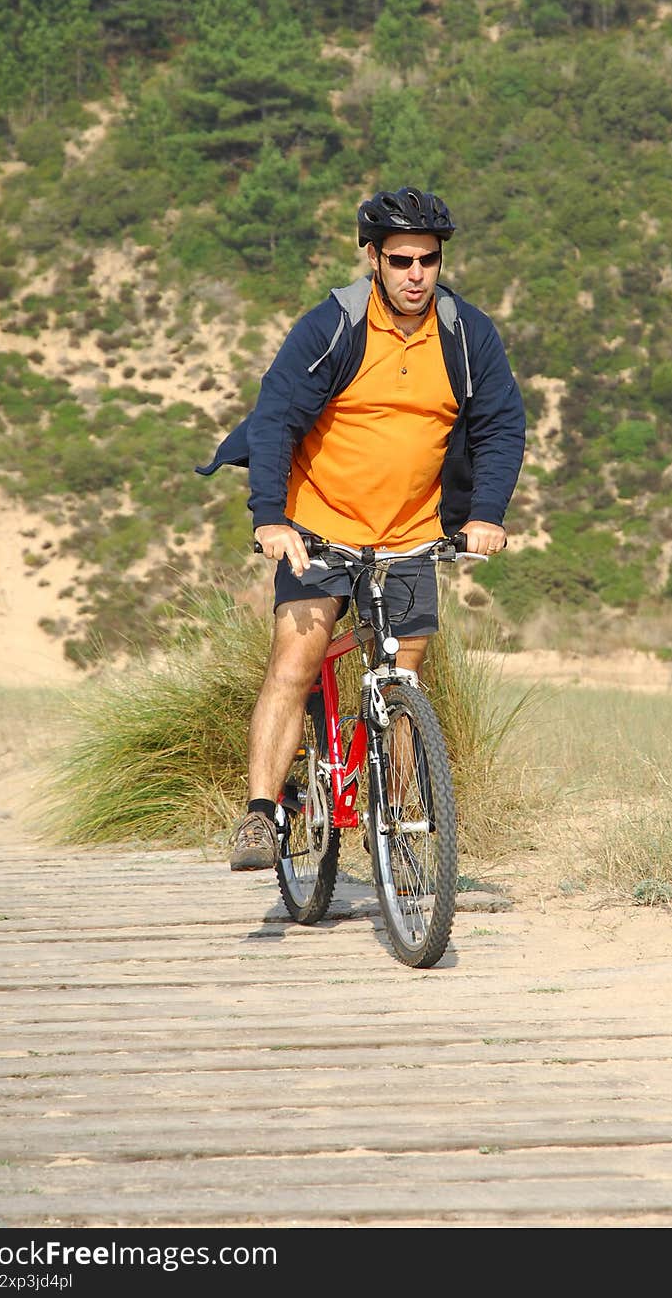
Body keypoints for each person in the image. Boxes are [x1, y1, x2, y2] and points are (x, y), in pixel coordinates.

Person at [196, 186, 526, 871]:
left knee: (404, 679)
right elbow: (276, 418)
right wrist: (270, 520)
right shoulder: (333, 326)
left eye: (428, 260)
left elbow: (501, 425)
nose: (416, 274)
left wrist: (486, 514)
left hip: (410, 533)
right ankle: (261, 813)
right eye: (401, 259)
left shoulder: (467, 336)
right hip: (319, 528)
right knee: (296, 661)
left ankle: (402, 834)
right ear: (373, 256)